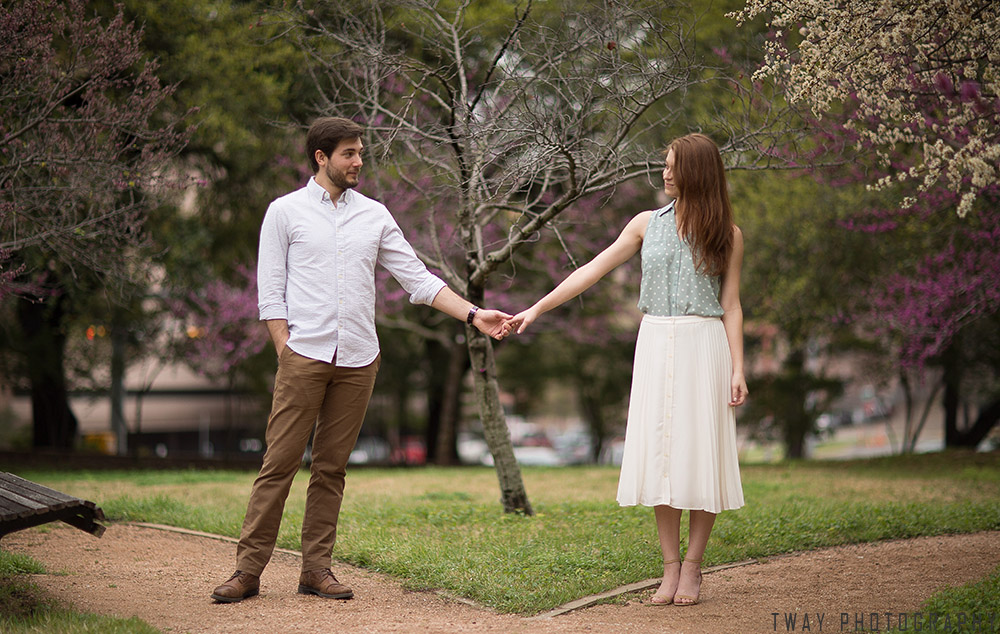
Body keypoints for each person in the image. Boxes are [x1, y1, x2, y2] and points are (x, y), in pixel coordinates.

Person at [211, 117, 512, 603]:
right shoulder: (284, 212)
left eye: (360, 153)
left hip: (358, 358)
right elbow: (270, 292)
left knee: (331, 469)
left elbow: (418, 279)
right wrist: (285, 348)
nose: (358, 162)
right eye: (349, 153)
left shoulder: (374, 214)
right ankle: (247, 572)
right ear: (321, 158)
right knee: (279, 465)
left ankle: (316, 570)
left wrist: (473, 314)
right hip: (303, 356)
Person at [508, 133, 746, 606]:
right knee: (662, 456)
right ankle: (670, 568)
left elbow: (732, 306)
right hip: (655, 340)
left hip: (705, 343)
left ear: (696, 172)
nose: (665, 172)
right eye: (664, 164)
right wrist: (536, 309)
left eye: (673, 165)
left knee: (701, 455)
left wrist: (739, 368)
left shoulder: (728, 234)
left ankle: (694, 568)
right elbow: (591, 271)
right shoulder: (644, 224)